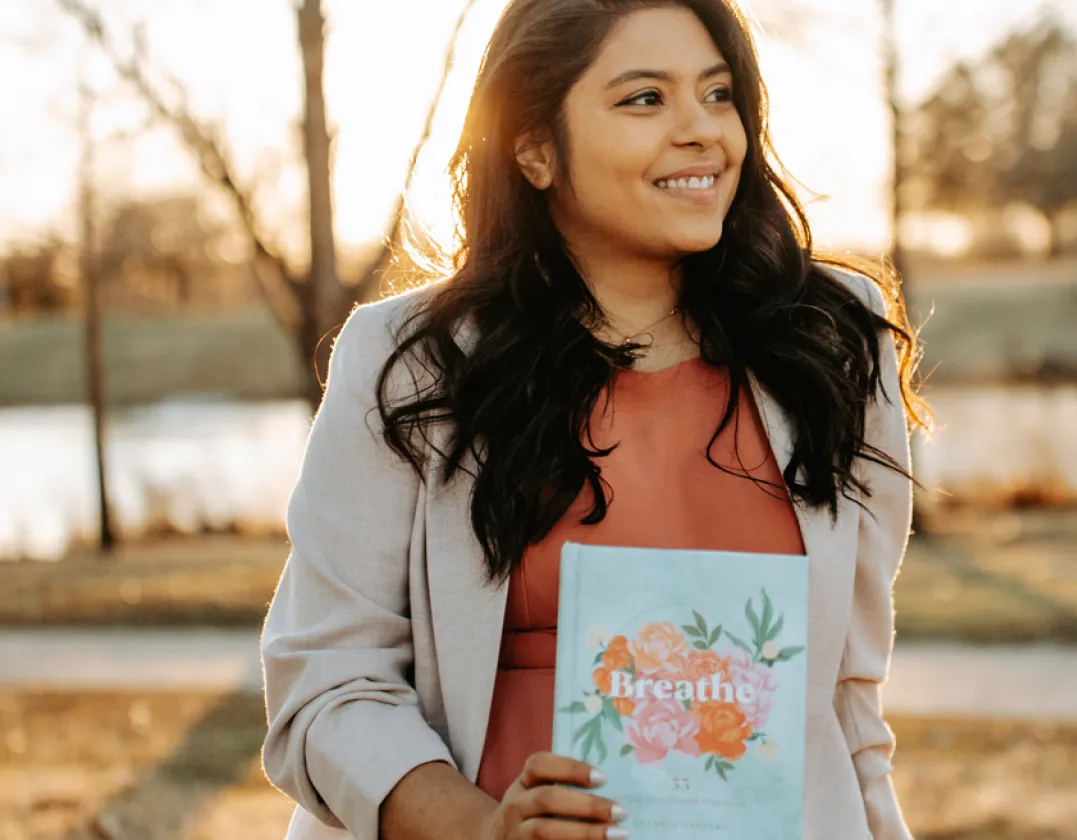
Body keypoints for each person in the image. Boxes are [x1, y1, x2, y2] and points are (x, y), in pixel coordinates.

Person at [260, 1, 929, 839]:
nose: (701, 130)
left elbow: (848, 701)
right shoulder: (409, 360)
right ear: (535, 148)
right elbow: (327, 684)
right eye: (645, 98)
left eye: (718, 94)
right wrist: (484, 829)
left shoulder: (830, 340)